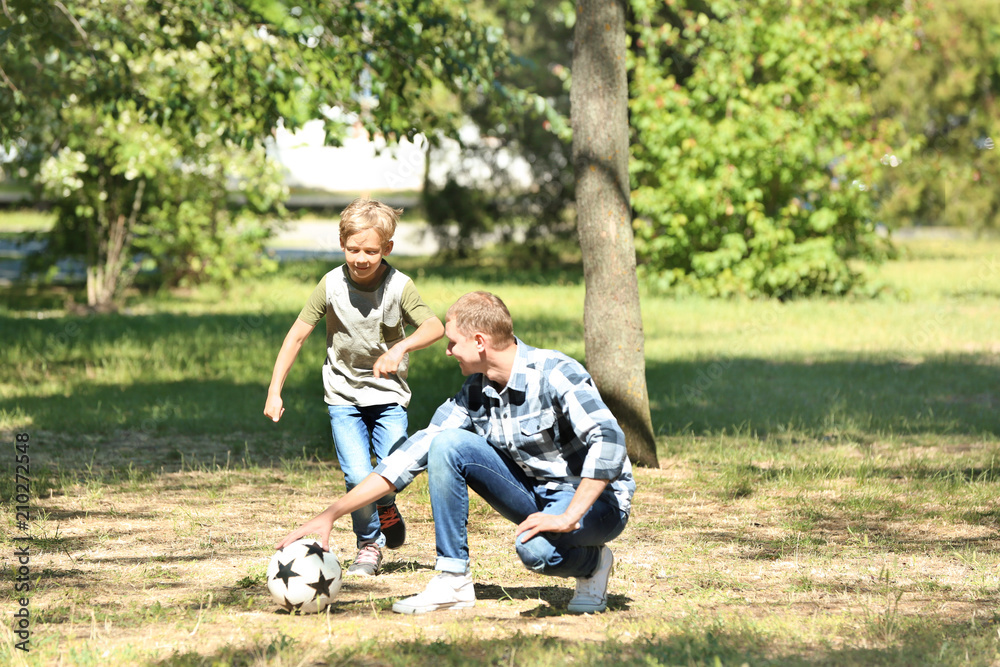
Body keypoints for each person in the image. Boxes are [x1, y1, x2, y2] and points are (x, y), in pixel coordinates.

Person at [277, 291, 634, 614]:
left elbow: (610, 440)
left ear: (479, 342)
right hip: (536, 496)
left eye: (452, 343)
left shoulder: (556, 372)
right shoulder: (475, 391)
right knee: (444, 443)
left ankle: (593, 563)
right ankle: (453, 581)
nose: (447, 351)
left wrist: (570, 515)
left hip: (596, 503)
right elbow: (410, 455)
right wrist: (331, 514)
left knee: (536, 552)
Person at [264, 198, 445, 577]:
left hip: (388, 396)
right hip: (343, 396)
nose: (361, 258)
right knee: (356, 475)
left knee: (393, 470)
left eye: (371, 251)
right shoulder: (330, 284)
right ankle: (369, 545)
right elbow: (297, 336)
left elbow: (434, 327)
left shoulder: (400, 286)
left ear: (387, 249)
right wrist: (274, 389)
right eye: (353, 249)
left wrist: (401, 348)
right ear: (342, 244)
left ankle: (384, 502)